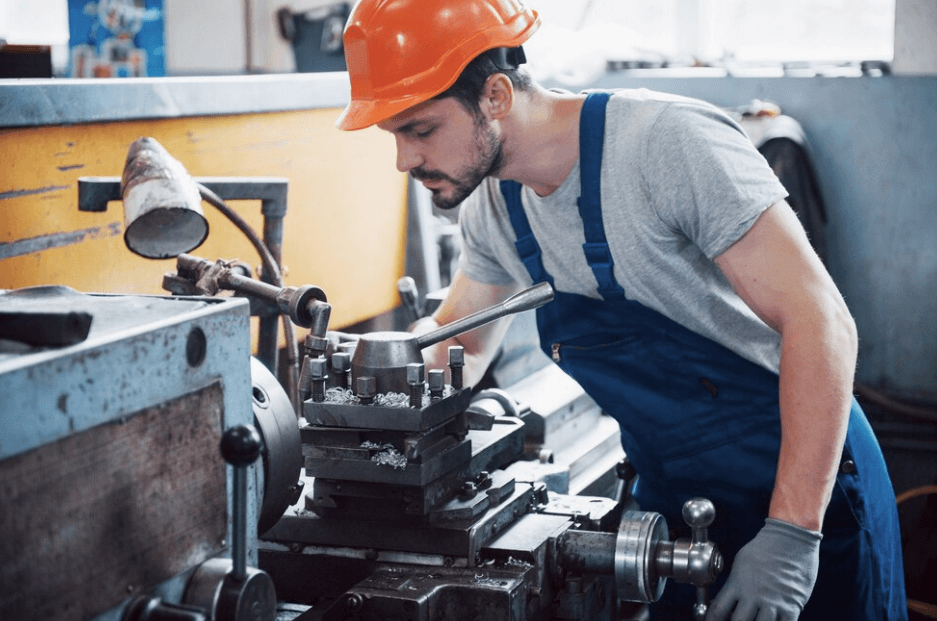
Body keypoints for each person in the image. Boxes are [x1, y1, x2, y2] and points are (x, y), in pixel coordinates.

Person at [336, 1, 908, 619]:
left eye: (419, 130)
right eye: (393, 135)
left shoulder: (668, 146)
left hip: (801, 487)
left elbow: (821, 321)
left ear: (496, 95)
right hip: (679, 503)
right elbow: (466, 341)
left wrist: (793, 535)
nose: (404, 160)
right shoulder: (495, 207)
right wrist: (388, 366)